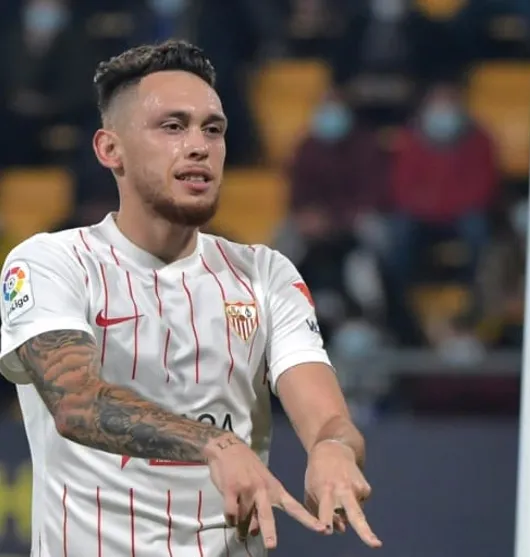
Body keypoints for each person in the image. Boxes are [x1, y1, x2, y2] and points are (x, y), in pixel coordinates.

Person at [0, 40, 381, 556]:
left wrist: (334, 448)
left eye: (213, 129)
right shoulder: (50, 262)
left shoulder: (266, 274)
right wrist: (214, 443)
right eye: (173, 127)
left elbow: (329, 419)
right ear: (110, 150)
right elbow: (75, 403)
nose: (199, 146)